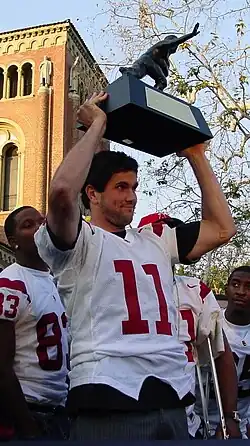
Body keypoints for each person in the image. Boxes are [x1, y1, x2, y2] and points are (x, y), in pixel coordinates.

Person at [34, 91, 236, 440]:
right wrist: (97, 126)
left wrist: (196, 156)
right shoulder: (79, 242)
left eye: (135, 187)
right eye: (120, 187)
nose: (131, 196)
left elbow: (222, 229)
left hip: (173, 395)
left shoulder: (156, 238)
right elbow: (62, 191)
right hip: (108, 393)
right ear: (93, 194)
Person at [138, 213, 241, 439]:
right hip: (131, 414)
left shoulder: (194, 292)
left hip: (183, 420)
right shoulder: (120, 285)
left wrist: (230, 417)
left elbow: (221, 354)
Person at [0, 206, 69, 441]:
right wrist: (28, 428)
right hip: (27, 412)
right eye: (28, 225)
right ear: (13, 241)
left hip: (60, 410)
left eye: (42, 222)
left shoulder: (58, 282)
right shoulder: (10, 284)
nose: (40, 228)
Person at [206, 266, 250, 439]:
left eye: (248, 287)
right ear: (226, 289)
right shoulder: (209, 323)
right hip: (202, 417)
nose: (241, 292)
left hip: (242, 420)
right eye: (236, 284)